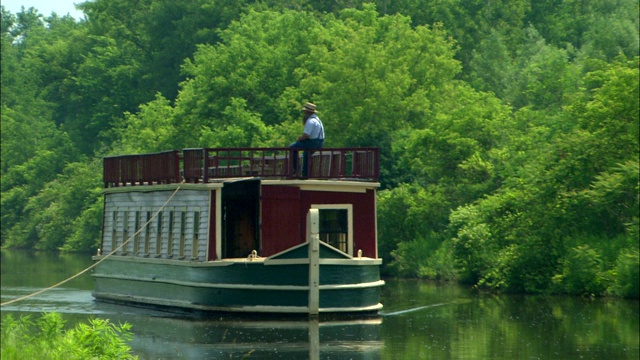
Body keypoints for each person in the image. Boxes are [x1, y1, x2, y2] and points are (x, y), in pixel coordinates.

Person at [289, 102, 325, 177]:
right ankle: (305, 173)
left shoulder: (310, 121)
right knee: (306, 153)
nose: (304, 113)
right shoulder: (317, 120)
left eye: (304, 111)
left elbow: (306, 135)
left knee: (292, 147)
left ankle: (296, 169)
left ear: (308, 112)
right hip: (319, 142)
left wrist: (299, 139)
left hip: (312, 142)